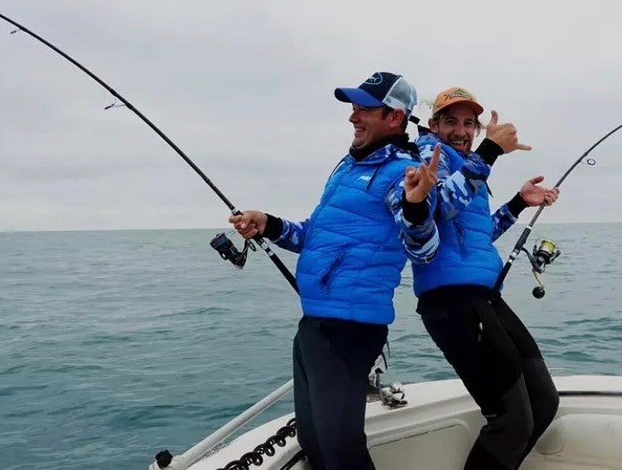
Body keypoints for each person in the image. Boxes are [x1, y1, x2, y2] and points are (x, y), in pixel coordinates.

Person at [230, 72, 441, 470]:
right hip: (315, 323)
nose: (352, 116)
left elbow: (424, 250)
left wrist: (416, 207)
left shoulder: (402, 173)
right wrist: (268, 224)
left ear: (394, 117)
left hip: (350, 327)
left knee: (341, 452)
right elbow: (313, 236)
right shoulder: (347, 167)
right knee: (314, 442)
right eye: (353, 107)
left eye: (364, 109)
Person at [412, 86, 560, 470]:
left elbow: (478, 234)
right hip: (452, 302)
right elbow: (439, 208)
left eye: (468, 124)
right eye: (450, 121)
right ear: (434, 125)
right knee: (511, 422)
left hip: (485, 298)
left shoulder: (467, 167)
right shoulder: (429, 154)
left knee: (543, 402)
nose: (460, 131)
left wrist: (518, 203)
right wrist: (490, 150)